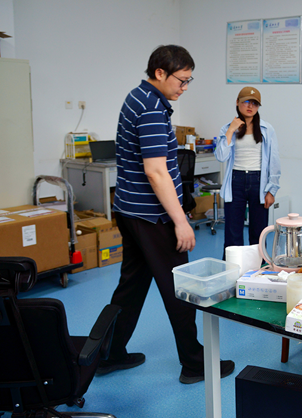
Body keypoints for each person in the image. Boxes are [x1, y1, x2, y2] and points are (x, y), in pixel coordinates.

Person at [99, 45, 234, 384]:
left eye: (189, 81)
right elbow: (156, 171)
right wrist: (180, 221)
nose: (185, 87)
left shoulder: (138, 96)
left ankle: (107, 354)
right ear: (160, 73)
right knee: (181, 287)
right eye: (181, 80)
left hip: (130, 210)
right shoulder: (151, 108)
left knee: (130, 288)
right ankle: (194, 363)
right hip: (153, 216)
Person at [215, 87, 280, 253]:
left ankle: (259, 266)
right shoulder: (227, 128)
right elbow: (221, 156)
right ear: (237, 103)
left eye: (255, 103)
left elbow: (274, 161)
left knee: (259, 233)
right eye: (246, 102)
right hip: (235, 181)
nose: (250, 106)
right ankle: (232, 266)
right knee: (232, 233)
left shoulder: (267, 129)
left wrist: (272, 190)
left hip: (259, 182)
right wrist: (231, 130)